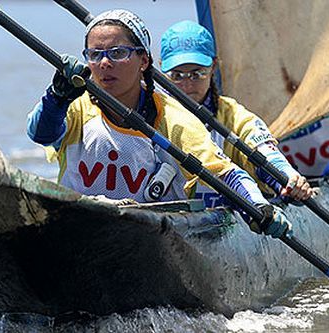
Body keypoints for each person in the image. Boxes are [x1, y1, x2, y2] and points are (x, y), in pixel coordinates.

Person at [27, 9, 291, 238]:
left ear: (144, 61)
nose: (105, 63)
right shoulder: (75, 104)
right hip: (79, 226)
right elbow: (40, 134)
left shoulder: (175, 120)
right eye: (95, 55)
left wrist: (259, 207)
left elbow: (226, 174)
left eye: (118, 53)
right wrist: (55, 98)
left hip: (150, 238)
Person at [160, 20, 314, 204]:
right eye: (176, 75)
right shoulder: (151, 115)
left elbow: (264, 151)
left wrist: (288, 178)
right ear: (161, 70)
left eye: (197, 73)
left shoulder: (234, 116)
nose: (186, 84)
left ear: (213, 67)